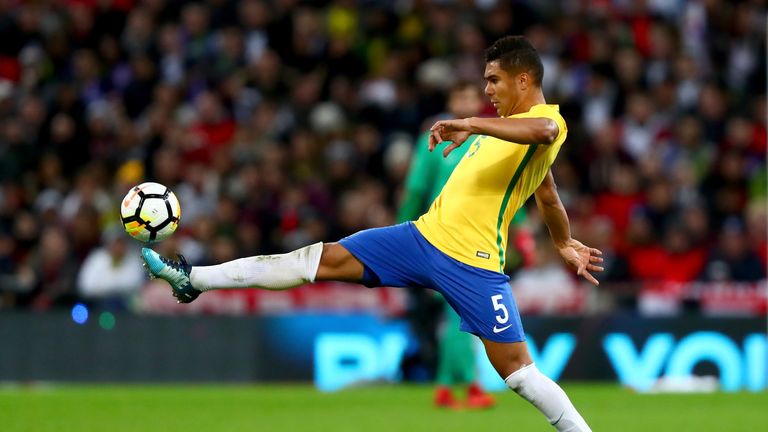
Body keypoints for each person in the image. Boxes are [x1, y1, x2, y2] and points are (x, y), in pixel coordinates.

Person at [142, 36, 602, 431]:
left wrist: (470, 122)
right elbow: (548, 195)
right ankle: (192, 279)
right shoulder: (502, 132)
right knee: (315, 259)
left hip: (473, 264)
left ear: (524, 80)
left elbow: (542, 134)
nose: (486, 90)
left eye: (494, 80)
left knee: (519, 375)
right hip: (420, 240)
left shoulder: (547, 122)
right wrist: (562, 240)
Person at [396, 81, 496, 409]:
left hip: (478, 235)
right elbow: (415, 190)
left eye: (471, 96)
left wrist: (518, 230)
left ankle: (443, 386)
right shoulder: (435, 137)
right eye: (460, 96)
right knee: (461, 312)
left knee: (459, 312)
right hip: (441, 236)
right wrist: (400, 233)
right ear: (451, 100)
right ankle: (470, 385)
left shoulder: (489, 138)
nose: (466, 101)